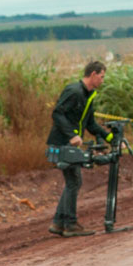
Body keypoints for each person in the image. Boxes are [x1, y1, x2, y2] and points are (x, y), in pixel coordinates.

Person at [46, 60, 114, 237]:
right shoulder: (74, 91)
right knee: (74, 181)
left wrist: (112, 138)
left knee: (72, 182)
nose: (102, 80)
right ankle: (70, 224)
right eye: (101, 76)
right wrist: (71, 135)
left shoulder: (88, 95)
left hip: (70, 144)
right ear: (93, 74)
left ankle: (59, 223)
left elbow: (90, 124)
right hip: (62, 143)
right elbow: (57, 113)